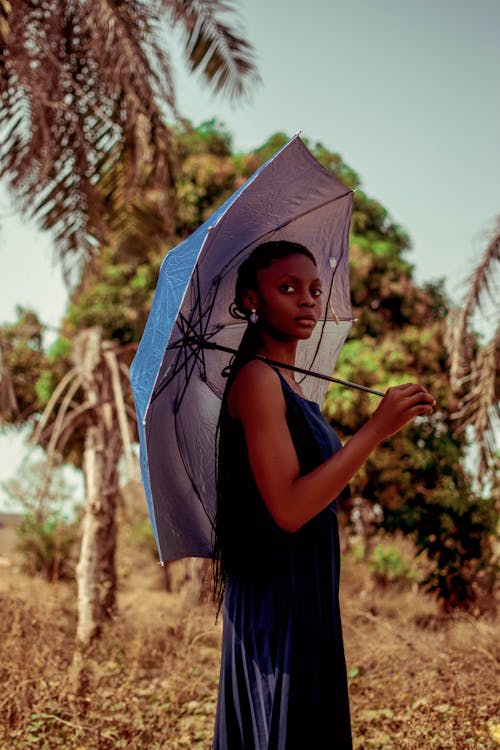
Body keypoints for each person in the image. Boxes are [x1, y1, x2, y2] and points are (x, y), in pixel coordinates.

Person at [212, 241, 435, 750]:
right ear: (252, 300)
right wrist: (374, 431)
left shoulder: (298, 388)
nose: (308, 300)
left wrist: (374, 431)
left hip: (309, 589)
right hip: (277, 594)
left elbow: (321, 491)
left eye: (314, 289)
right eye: (287, 289)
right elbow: (289, 510)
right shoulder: (255, 380)